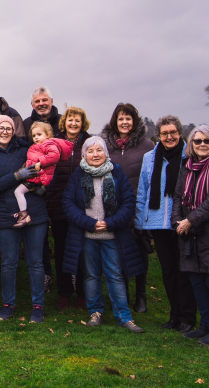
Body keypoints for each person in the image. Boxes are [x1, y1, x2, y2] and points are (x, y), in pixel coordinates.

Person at [62, 136, 146, 333]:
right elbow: (68, 204)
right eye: (90, 151)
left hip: (112, 236)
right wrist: (91, 224)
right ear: (84, 154)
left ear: (105, 153)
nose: (95, 154)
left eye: (99, 150)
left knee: (115, 276)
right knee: (90, 276)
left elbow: (128, 203)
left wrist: (109, 223)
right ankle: (95, 312)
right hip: (88, 237)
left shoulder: (117, 173)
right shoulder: (77, 175)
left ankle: (124, 317)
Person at [0, 115, 47, 323]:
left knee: (35, 262)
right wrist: (17, 176)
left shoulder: (25, 149)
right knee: (9, 262)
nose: (5, 131)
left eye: (9, 128)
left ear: (14, 130)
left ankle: (38, 307)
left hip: (34, 212)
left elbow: (42, 172)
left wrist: (38, 186)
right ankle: (8, 305)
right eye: (1, 128)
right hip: (4, 213)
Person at [135, 115, 197, 332]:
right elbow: (143, 189)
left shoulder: (190, 155)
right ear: (158, 135)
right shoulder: (150, 158)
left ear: (179, 133)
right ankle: (174, 315)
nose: (169, 136)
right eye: (164, 133)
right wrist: (140, 222)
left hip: (182, 221)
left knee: (184, 272)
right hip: (157, 222)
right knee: (169, 271)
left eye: (173, 132)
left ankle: (188, 316)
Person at [172, 126, 209, 346]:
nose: (203, 144)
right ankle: (204, 325)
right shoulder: (187, 166)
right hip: (189, 233)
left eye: (207, 141)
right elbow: (178, 196)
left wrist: (190, 221)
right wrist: (177, 221)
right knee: (197, 280)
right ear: (191, 145)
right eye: (198, 141)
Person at [100, 102, 154, 313]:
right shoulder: (107, 145)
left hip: (139, 206)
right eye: (121, 118)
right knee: (118, 252)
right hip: (114, 206)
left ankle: (141, 295)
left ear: (134, 121)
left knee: (140, 251)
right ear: (115, 121)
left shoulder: (147, 145)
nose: (124, 122)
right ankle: (123, 293)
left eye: (128, 118)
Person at [44, 107, 92, 310]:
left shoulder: (89, 143)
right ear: (64, 122)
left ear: (83, 123)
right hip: (59, 205)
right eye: (70, 120)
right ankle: (64, 292)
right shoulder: (55, 143)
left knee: (83, 253)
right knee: (62, 251)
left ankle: (82, 293)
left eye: (77, 120)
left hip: (84, 208)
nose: (73, 123)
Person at [12, 122, 73, 227]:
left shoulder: (49, 144)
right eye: (34, 135)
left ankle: (24, 215)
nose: (36, 137)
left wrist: (40, 162)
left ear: (47, 135)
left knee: (18, 192)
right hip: (35, 175)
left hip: (38, 176)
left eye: (39, 135)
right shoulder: (38, 146)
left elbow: (54, 156)